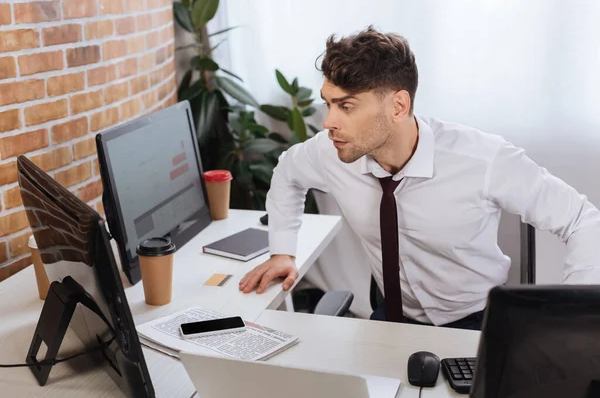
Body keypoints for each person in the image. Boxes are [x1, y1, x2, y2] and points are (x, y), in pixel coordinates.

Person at [238, 26, 600, 330]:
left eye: (346, 106)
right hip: (391, 318)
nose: (329, 121)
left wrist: (569, 315)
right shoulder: (331, 150)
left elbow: (582, 220)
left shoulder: (482, 159)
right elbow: (287, 172)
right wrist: (282, 250)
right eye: (328, 103)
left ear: (398, 106)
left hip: (476, 323)